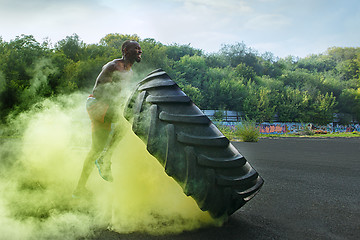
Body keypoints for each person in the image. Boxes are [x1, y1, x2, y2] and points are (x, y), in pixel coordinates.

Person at [73, 40, 142, 198]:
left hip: (108, 109)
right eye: (136, 49)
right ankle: (106, 157)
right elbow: (101, 91)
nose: (139, 52)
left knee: (95, 150)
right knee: (129, 117)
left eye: (140, 49)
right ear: (125, 50)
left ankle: (79, 189)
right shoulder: (114, 66)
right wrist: (120, 104)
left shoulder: (129, 72)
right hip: (97, 104)